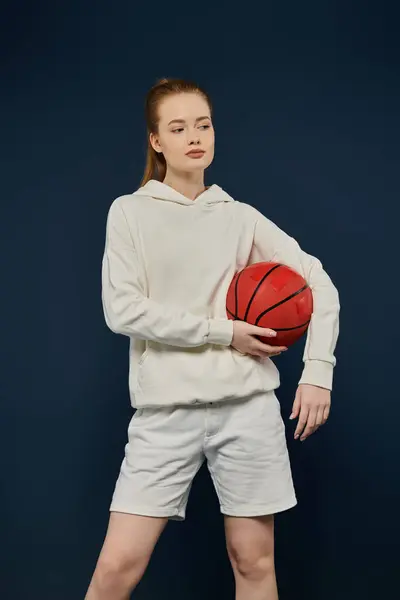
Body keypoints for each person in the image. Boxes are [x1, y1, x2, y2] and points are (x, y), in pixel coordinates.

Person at [85, 77, 340, 600]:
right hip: (165, 415)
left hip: (246, 409)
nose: (193, 137)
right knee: (117, 566)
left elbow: (320, 283)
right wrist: (224, 333)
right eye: (177, 128)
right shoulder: (129, 212)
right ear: (157, 141)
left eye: (202, 124)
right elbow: (123, 310)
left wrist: (318, 373)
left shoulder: (238, 216)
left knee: (253, 562)